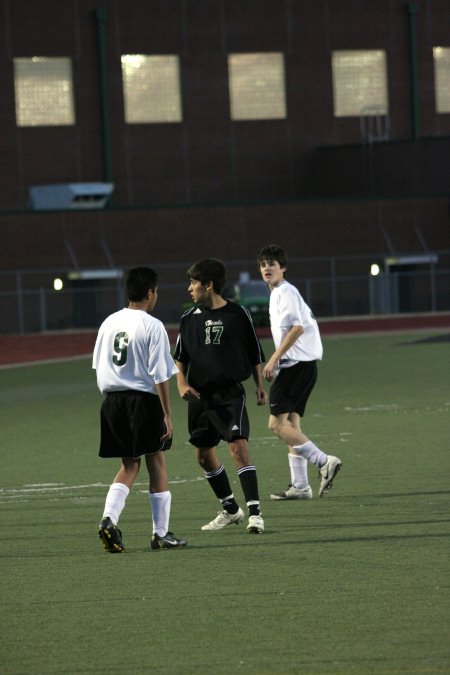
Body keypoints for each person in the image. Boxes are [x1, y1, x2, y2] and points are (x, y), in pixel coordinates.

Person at [93, 266, 187, 552]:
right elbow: (161, 374)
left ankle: (109, 520)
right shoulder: (152, 325)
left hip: (112, 400)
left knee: (129, 464)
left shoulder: (109, 322)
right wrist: (167, 414)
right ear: (150, 292)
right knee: (156, 460)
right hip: (142, 401)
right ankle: (160, 534)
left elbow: (99, 365)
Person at [174, 258, 267, 534]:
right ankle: (230, 509)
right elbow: (180, 359)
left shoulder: (238, 315)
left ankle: (255, 513)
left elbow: (254, 354)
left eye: (193, 282)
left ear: (209, 285)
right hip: (199, 397)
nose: (190, 288)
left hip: (229, 394)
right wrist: (180, 384)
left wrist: (259, 385)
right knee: (203, 456)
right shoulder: (188, 319)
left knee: (238, 447)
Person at [257, 244, 342, 499]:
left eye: (272, 264)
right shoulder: (279, 293)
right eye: (263, 265)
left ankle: (324, 461)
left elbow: (297, 328)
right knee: (292, 422)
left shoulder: (285, 292)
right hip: (302, 367)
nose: (267, 268)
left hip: (296, 367)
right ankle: (300, 486)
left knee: (276, 424)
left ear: (283, 268)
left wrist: (273, 359)